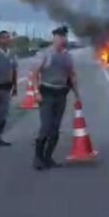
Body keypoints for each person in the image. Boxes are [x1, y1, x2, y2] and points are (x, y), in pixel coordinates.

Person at [32, 25, 80, 170]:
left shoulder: (67, 56)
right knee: (45, 127)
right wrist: (36, 92)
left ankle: (48, 157)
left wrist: (77, 95)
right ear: (54, 38)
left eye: (64, 37)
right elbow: (35, 73)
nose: (62, 39)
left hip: (61, 94)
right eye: (60, 37)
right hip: (47, 93)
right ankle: (38, 158)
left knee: (55, 128)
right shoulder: (45, 54)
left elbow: (71, 75)